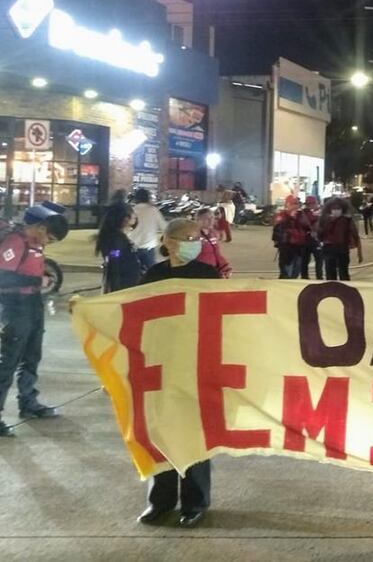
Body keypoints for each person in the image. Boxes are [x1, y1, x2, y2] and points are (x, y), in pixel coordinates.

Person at [136, 218, 221, 528]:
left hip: (196, 364)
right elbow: (134, 315)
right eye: (188, 237)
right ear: (169, 241)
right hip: (161, 364)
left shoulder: (207, 275)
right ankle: (160, 502)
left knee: (193, 434)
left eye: (197, 238)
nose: (194, 243)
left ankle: (195, 502)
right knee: (160, 433)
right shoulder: (154, 276)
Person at [0, 204, 69, 437]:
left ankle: (28, 402)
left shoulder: (36, 245)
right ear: (40, 227)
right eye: (50, 237)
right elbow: (3, 277)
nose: (49, 242)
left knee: (32, 355)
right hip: (15, 307)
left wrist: (42, 277)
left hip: (33, 304)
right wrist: (36, 281)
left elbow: (30, 271)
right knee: (8, 361)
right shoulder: (15, 242)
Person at [96, 202, 143, 293]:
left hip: (126, 283)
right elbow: (114, 261)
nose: (135, 216)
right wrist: (116, 289)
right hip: (124, 285)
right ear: (125, 218)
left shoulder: (117, 236)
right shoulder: (116, 240)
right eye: (132, 213)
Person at [319, 198, 362, 280]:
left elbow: (355, 235)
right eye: (334, 208)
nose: (336, 210)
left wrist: (359, 253)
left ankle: (343, 287)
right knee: (330, 273)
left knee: (343, 272)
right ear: (330, 209)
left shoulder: (347, 220)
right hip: (329, 248)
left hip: (342, 248)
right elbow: (320, 233)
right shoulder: (324, 220)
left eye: (338, 208)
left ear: (342, 209)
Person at [129, 188, 167, 272]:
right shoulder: (153, 210)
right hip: (149, 247)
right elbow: (164, 227)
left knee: (132, 272)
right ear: (147, 198)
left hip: (133, 247)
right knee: (152, 273)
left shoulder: (132, 211)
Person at [272, 196, 310, 279]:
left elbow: (307, 227)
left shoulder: (301, 215)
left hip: (299, 246)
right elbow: (278, 229)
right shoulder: (282, 215)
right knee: (286, 268)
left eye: (296, 204)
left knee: (297, 268)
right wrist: (290, 218)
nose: (295, 206)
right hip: (286, 246)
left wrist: (300, 217)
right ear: (287, 204)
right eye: (293, 204)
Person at [194, 208, 232, 278]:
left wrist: (225, 268)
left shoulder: (213, 234)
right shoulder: (192, 234)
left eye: (212, 218)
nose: (211, 220)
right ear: (198, 220)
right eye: (207, 218)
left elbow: (217, 254)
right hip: (198, 273)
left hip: (212, 272)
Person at [299, 196, 323, 279]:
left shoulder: (302, 213)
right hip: (311, 240)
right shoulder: (306, 213)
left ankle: (305, 277)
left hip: (307, 240)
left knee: (305, 261)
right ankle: (318, 278)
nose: (312, 205)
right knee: (317, 260)